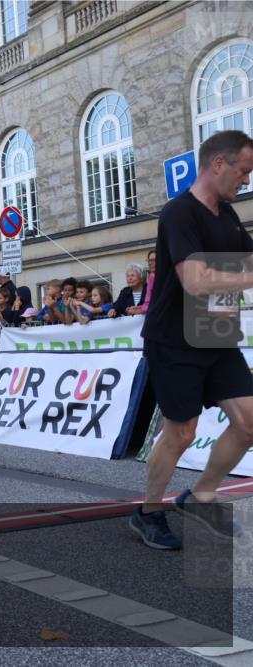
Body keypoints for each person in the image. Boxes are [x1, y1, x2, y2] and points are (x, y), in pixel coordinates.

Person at [131, 130, 253, 549]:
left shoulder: (229, 215)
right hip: (175, 339)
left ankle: (200, 498)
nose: (246, 181)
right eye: (243, 171)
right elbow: (195, 280)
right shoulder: (179, 212)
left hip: (217, 333)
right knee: (181, 432)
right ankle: (148, 512)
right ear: (218, 164)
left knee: (248, 422)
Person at [141, 249, 156, 314]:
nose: (150, 263)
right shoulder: (152, 277)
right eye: (149, 260)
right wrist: (140, 308)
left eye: (153, 260)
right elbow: (147, 303)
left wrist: (140, 309)